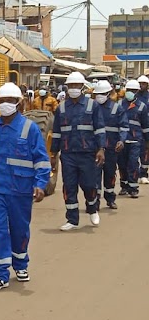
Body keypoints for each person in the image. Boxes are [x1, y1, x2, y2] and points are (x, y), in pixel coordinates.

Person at [0, 82, 50, 292]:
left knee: (19, 231)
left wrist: (40, 184)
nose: (5, 104)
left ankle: (20, 264)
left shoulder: (30, 129)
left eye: (9, 101)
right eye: (2, 101)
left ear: (18, 103)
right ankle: (0, 274)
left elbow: (42, 160)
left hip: (20, 190)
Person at [50, 71, 106, 231]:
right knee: (69, 186)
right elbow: (56, 133)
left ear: (82, 87)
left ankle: (92, 208)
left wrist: (101, 149)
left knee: (89, 184)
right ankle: (72, 219)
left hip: (87, 153)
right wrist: (54, 153)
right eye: (71, 85)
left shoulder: (92, 105)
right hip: (67, 154)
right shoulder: (61, 108)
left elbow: (100, 129)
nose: (73, 88)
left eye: (76, 85)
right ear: (67, 87)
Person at [92, 80, 128, 210]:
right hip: (95, 148)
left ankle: (110, 198)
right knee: (94, 175)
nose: (99, 96)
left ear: (108, 93)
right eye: (97, 93)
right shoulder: (91, 107)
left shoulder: (116, 108)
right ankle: (94, 201)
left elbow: (124, 126)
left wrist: (121, 140)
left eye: (102, 93)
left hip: (111, 148)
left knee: (110, 174)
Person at [117, 79, 149, 198]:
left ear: (137, 92)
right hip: (122, 140)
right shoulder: (119, 104)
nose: (131, 92)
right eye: (129, 90)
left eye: (133, 90)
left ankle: (133, 187)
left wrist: (147, 141)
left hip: (136, 140)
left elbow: (145, 126)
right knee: (122, 164)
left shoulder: (142, 107)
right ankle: (124, 186)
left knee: (133, 164)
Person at [136, 75, 149, 184]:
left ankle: (144, 173)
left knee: (145, 151)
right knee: (133, 153)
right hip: (135, 127)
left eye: (143, 84)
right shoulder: (134, 96)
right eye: (140, 83)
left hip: (147, 126)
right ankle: (134, 174)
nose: (141, 86)